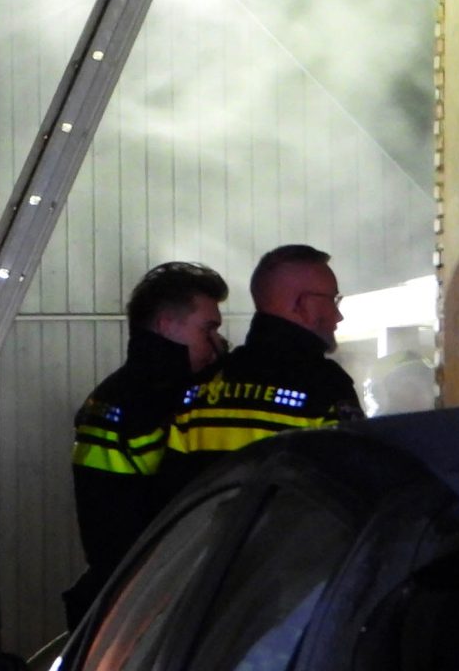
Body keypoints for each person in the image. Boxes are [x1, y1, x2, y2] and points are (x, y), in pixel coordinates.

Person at [64, 260, 228, 628]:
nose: (217, 343)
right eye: (208, 329)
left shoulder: (114, 394)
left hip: (119, 598)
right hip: (154, 605)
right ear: (167, 326)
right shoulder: (157, 403)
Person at [160, 244, 363, 494]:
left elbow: (173, 491)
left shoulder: (199, 389)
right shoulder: (325, 387)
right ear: (303, 305)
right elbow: (354, 486)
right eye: (332, 299)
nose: (338, 315)